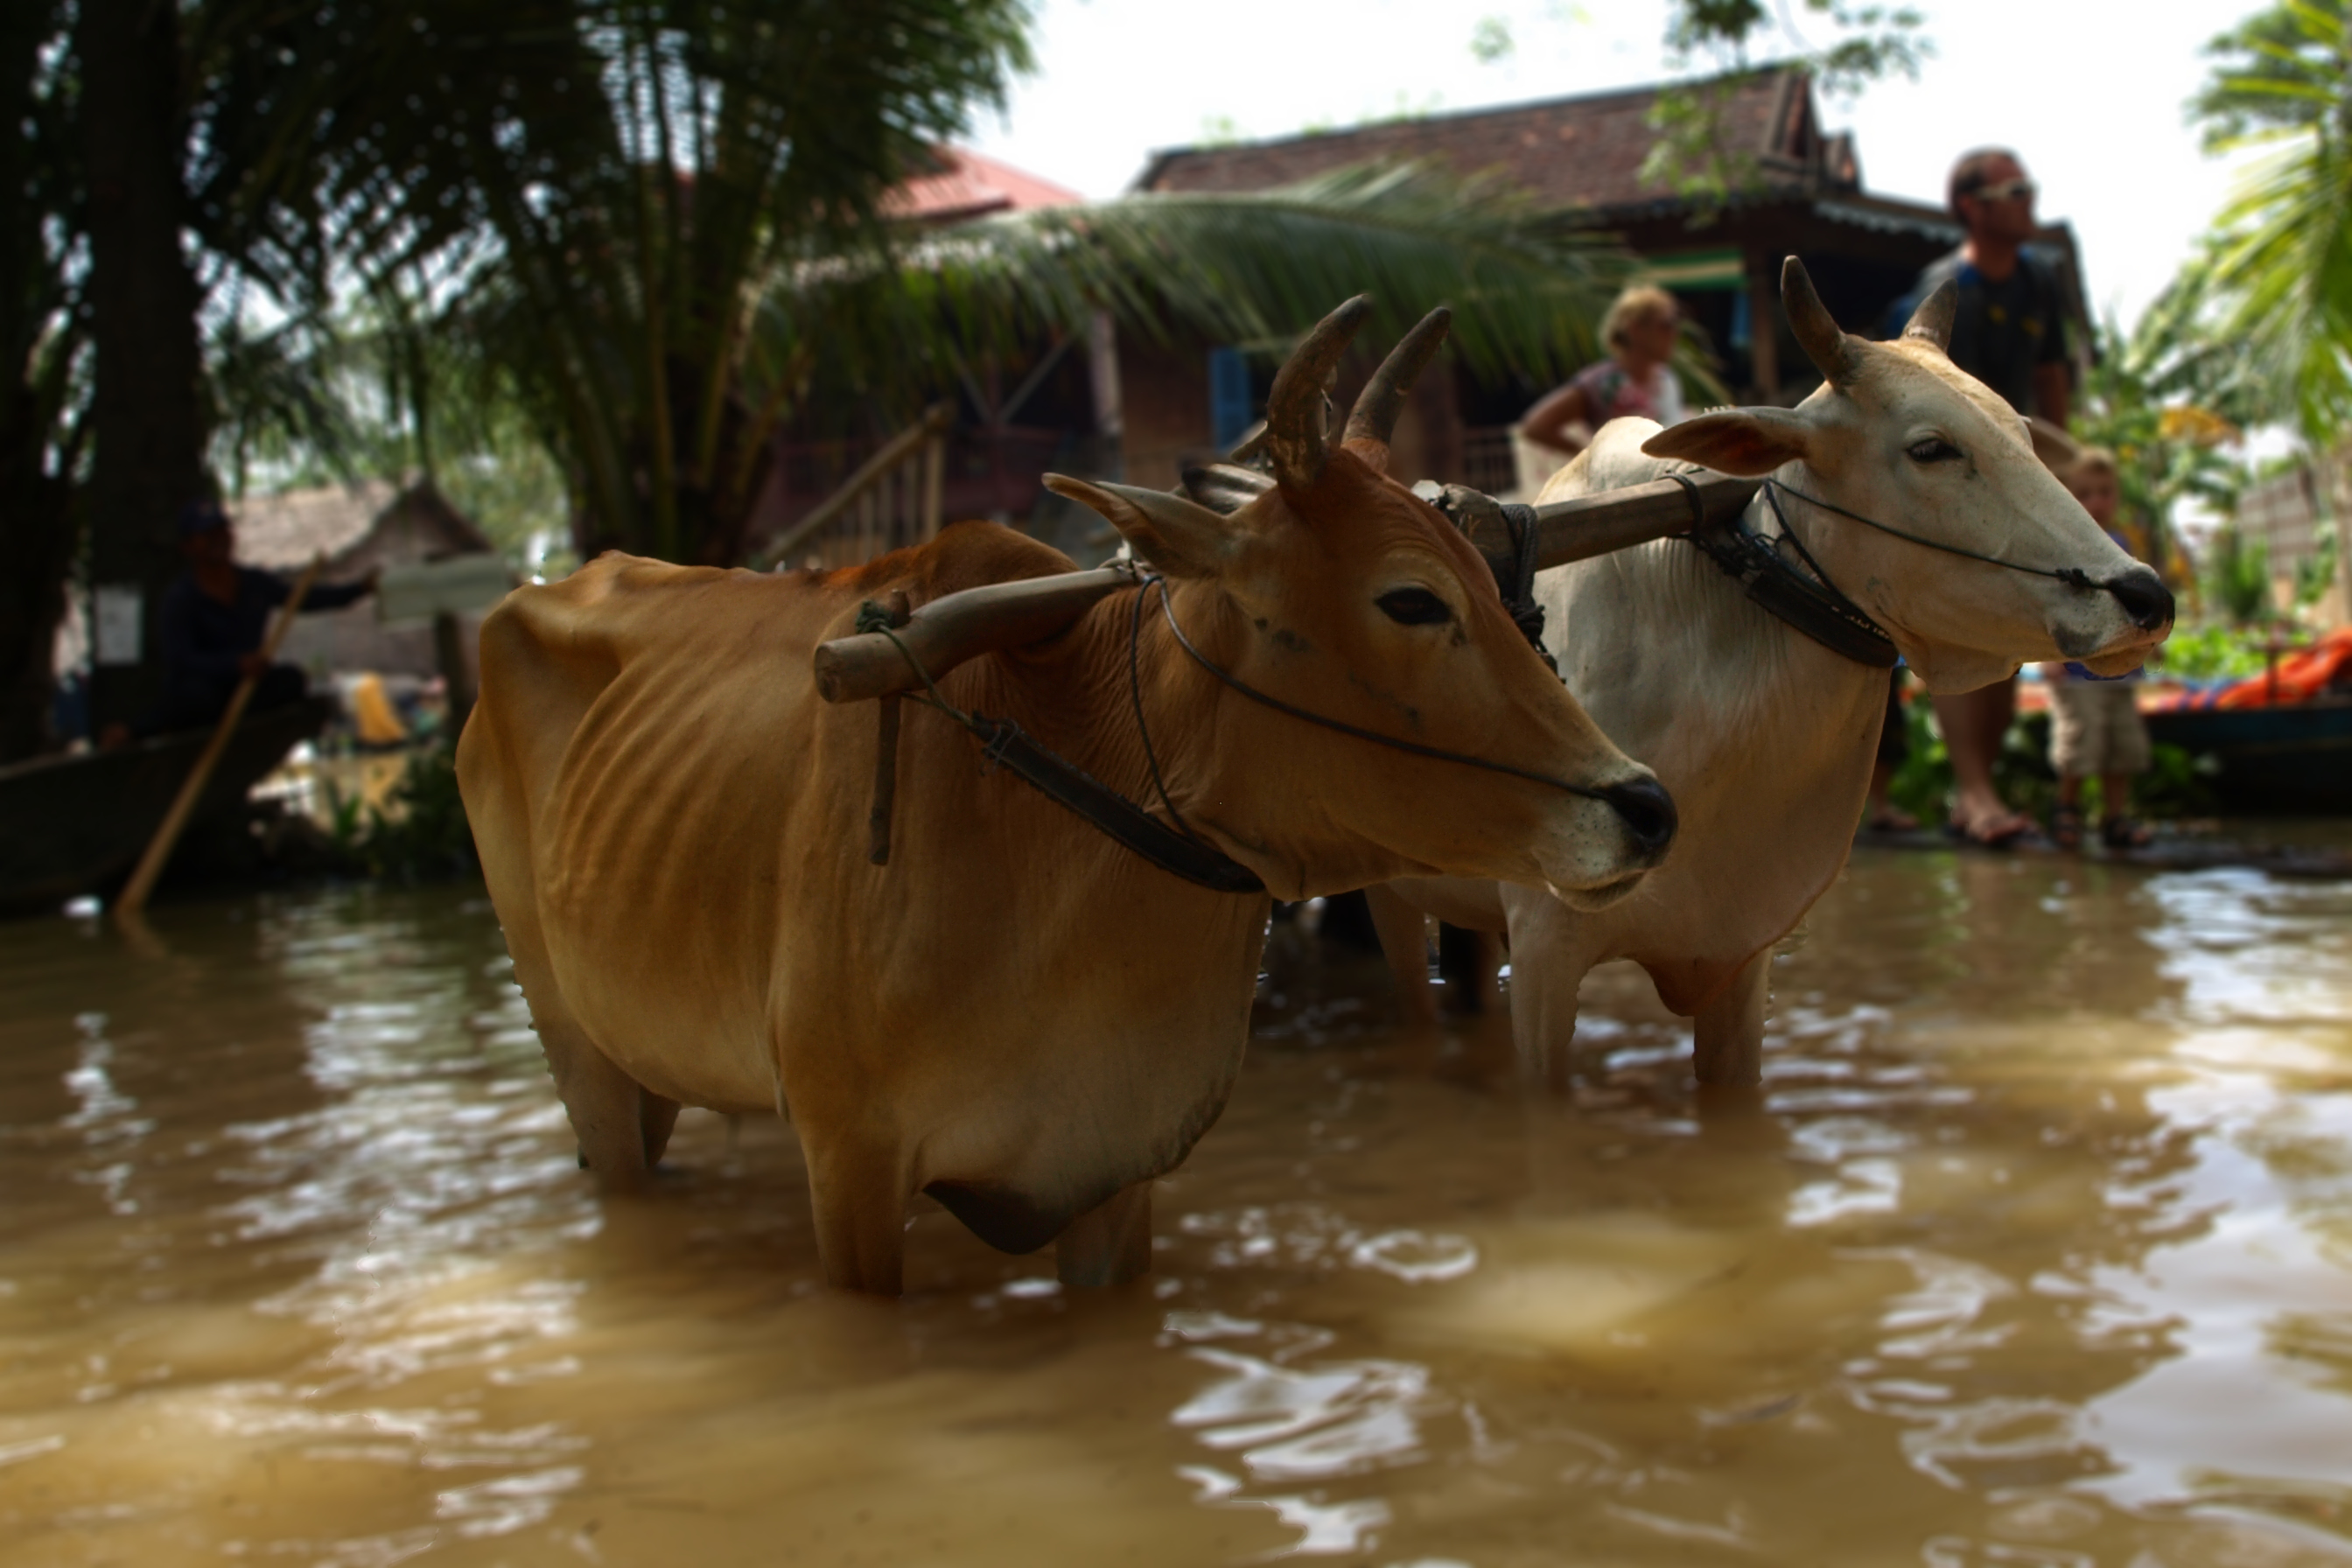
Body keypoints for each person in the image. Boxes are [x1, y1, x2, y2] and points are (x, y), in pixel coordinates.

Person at [1889, 147, 2075, 845]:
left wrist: (2065, 464)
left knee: (2012, 629)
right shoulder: (1942, 291)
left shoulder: (2038, 281)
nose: (2029, 201)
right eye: (2014, 190)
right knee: (1965, 623)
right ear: (1973, 207)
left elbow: (2052, 378)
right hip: (1954, 479)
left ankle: (1980, 791)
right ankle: (1974, 791)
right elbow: (1911, 391)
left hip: (2022, 472)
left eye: (2029, 188)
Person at [143, 500, 377, 738]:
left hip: (248, 689)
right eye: (207, 534)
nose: (219, 539)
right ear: (188, 547)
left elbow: (303, 599)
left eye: (222, 531)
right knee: (193, 696)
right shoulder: (181, 598)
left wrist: (360, 589)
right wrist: (235, 664)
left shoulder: (254, 583)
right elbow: (181, 660)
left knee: (291, 680)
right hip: (205, 693)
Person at [2043, 449, 2153, 850]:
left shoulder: (2121, 547)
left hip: (2119, 669)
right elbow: (2049, 604)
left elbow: (2135, 604)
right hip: (2077, 671)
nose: (2098, 502)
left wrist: (2149, 643)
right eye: (2086, 493)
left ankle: (2114, 817)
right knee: (2080, 744)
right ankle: (2067, 809)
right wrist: (2051, 656)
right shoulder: (2063, 548)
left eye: (2105, 492)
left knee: (2121, 745)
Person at [1512, 284, 1686, 495]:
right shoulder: (1603, 383)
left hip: (1670, 490)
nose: (1674, 333)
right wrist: (1587, 457)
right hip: (1625, 498)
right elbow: (1535, 425)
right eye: (1666, 325)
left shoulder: (1666, 378)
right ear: (1635, 330)